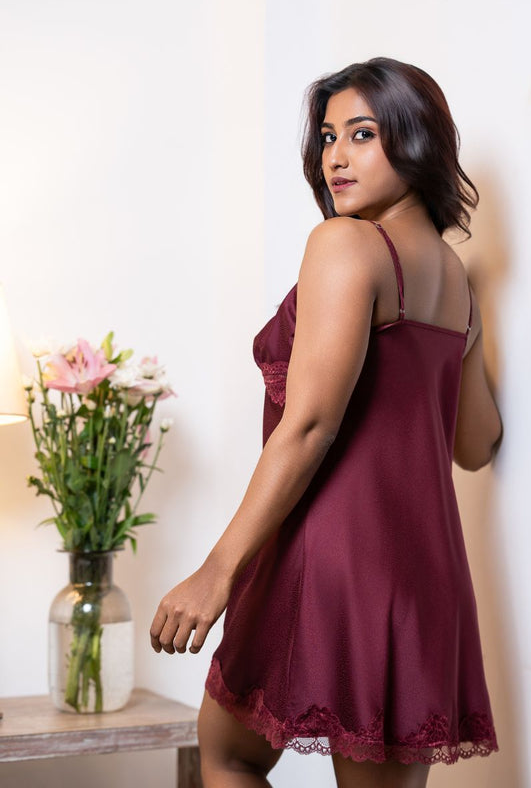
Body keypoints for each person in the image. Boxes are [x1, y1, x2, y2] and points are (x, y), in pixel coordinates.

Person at [150, 57, 503, 788]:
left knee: (225, 754)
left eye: (362, 134)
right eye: (327, 136)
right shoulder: (456, 281)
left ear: (416, 140)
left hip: (328, 560)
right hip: (426, 580)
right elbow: (476, 443)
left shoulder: (345, 246)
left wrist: (217, 572)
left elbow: (310, 426)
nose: (334, 156)